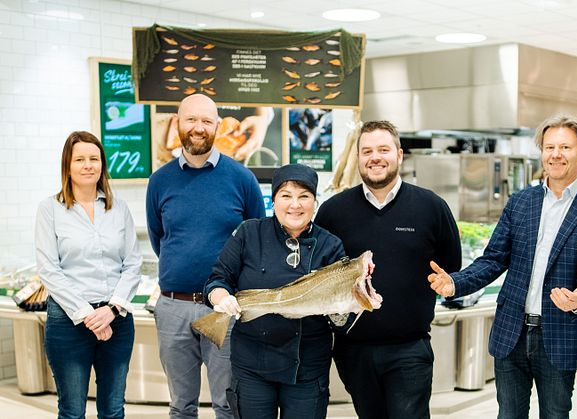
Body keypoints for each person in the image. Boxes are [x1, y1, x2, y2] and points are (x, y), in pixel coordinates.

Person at [428, 113, 577, 419]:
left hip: (559, 334)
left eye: (565, 147)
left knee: (555, 415)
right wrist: (456, 283)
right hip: (511, 331)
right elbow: (493, 259)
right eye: (549, 146)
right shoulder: (520, 202)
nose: (555, 154)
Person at [315, 120, 462, 419]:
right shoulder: (333, 211)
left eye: (383, 149)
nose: (375, 157)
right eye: (367, 151)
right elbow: (320, 275)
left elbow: (451, 267)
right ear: (358, 158)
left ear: (399, 155)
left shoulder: (431, 207)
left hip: (409, 348)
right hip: (353, 349)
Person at [146, 93, 265, 418]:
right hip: (173, 306)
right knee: (180, 406)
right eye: (191, 119)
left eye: (206, 121)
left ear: (217, 125)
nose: (198, 127)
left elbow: (256, 242)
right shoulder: (159, 181)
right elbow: (161, 239)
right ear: (178, 123)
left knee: (228, 404)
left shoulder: (242, 179)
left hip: (225, 309)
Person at [203, 164, 345, 419]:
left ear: (315, 201)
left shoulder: (330, 245)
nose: (295, 205)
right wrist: (221, 297)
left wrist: (349, 304)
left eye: (304, 196)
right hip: (252, 365)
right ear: (273, 199)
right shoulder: (249, 232)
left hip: (307, 366)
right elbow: (217, 279)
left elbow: (339, 318)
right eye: (286, 195)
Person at [35, 131, 142, 418]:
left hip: (116, 321)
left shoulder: (118, 207)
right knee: (71, 410)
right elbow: (49, 268)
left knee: (113, 409)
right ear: (67, 166)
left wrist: (112, 309)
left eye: (94, 159)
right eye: (79, 159)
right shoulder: (50, 209)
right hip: (68, 323)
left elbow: (133, 263)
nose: (88, 165)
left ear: (102, 165)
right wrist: (88, 314)